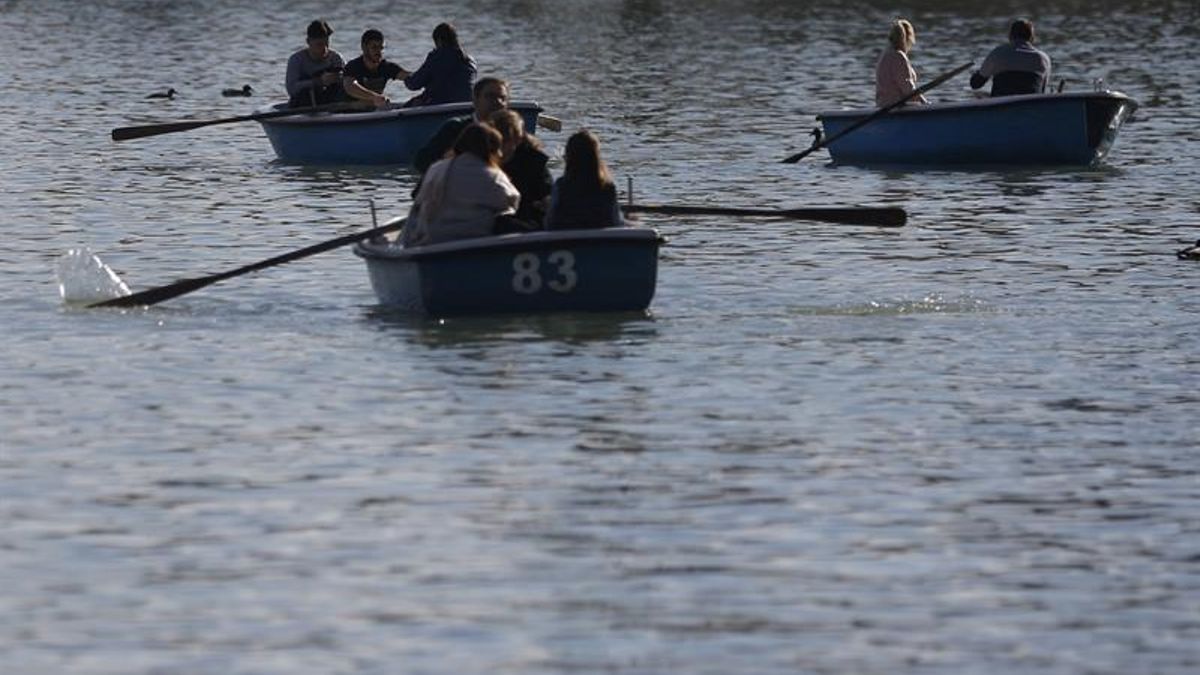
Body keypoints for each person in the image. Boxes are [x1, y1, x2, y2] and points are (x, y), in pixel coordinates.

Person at [402, 123, 520, 247]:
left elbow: (419, 200)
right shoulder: (493, 175)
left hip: (433, 238)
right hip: (476, 237)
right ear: (491, 150)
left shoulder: (436, 168)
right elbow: (512, 201)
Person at [413, 77, 510, 174]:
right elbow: (422, 162)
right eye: (490, 96)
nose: (498, 102)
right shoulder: (456, 128)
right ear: (475, 99)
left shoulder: (511, 131)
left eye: (503, 98)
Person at [545, 130, 624, 230]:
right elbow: (615, 222)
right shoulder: (607, 187)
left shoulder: (561, 186)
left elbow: (550, 222)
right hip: (601, 241)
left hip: (567, 240)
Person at [489, 110, 552, 229]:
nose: (498, 148)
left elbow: (546, 196)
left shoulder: (535, 163)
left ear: (517, 140)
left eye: (504, 141)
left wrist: (544, 203)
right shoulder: (479, 160)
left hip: (526, 225)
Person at [401, 22, 477, 108]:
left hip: (439, 105)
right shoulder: (470, 61)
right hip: (466, 105)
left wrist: (406, 77)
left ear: (439, 40)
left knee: (412, 104)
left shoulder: (437, 57)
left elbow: (414, 84)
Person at [970, 19, 1052, 97]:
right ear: (1032, 38)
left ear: (1010, 36)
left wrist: (979, 71)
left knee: (979, 95)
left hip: (1002, 106)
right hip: (1031, 106)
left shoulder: (999, 53)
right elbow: (1042, 91)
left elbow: (975, 84)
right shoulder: (1044, 58)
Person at [342, 29, 411, 109]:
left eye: (381, 48)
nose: (379, 52)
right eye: (374, 47)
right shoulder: (353, 66)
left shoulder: (386, 67)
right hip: (347, 111)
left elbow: (409, 76)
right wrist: (374, 97)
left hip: (373, 110)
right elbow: (350, 87)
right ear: (364, 47)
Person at [286, 20, 345, 108]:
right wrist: (318, 81)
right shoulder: (296, 60)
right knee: (305, 93)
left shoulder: (336, 58)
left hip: (330, 102)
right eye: (319, 44)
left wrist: (339, 78)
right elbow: (291, 89)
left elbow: (349, 82)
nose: (324, 49)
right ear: (308, 41)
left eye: (326, 44)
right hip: (304, 105)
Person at [875, 19, 927, 107]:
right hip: (895, 107)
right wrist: (925, 103)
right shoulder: (898, 56)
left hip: (882, 105)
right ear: (907, 38)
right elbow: (908, 89)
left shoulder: (884, 54)